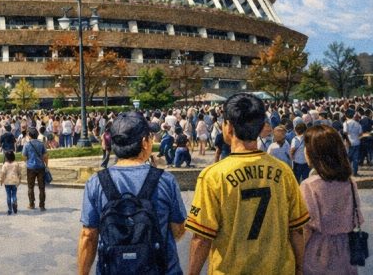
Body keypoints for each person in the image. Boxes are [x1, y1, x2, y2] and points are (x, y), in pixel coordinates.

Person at [186, 92, 309, 275]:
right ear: (261, 128)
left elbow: (201, 238)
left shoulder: (213, 176)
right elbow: (297, 230)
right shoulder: (284, 172)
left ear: (228, 128)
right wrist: (299, 267)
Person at [78, 110, 187, 275]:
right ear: (144, 142)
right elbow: (178, 229)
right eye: (150, 137)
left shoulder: (96, 182)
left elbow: (88, 236)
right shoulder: (166, 180)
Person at [299, 124, 365, 274]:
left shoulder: (309, 186)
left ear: (315, 153)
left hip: (317, 254)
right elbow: (356, 219)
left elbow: (305, 230)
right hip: (346, 253)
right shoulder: (349, 182)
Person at [22, 128, 49, 211]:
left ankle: (31, 204)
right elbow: (45, 156)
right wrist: (46, 166)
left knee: (30, 187)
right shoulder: (41, 144)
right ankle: (42, 205)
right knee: (42, 187)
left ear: (29, 135)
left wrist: (27, 162)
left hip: (31, 167)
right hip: (41, 167)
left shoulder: (27, 145)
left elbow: (24, 156)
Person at [0, 150, 22, 215]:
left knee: (8, 195)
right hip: (14, 181)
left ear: (6, 157)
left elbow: (3, 174)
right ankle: (14, 202)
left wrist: (1, 181)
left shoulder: (5, 165)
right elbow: (19, 173)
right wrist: (19, 179)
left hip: (7, 182)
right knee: (14, 194)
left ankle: (9, 209)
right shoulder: (16, 164)